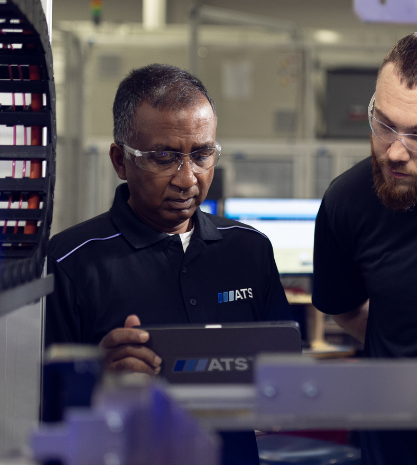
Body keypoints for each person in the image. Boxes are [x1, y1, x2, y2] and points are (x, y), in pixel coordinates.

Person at [45, 64, 291, 465]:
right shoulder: (71, 262)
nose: (188, 179)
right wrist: (96, 382)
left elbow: (283, 376)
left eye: (202, 154)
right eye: (164, 157)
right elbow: (41, 412)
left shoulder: (248, 251)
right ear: (120, 161)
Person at [312, 30, 417, 465]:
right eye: (384, 123)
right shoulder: (348, 200)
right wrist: (405, 349)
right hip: (393, 446)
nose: (395, 152)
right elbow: (345, 309)